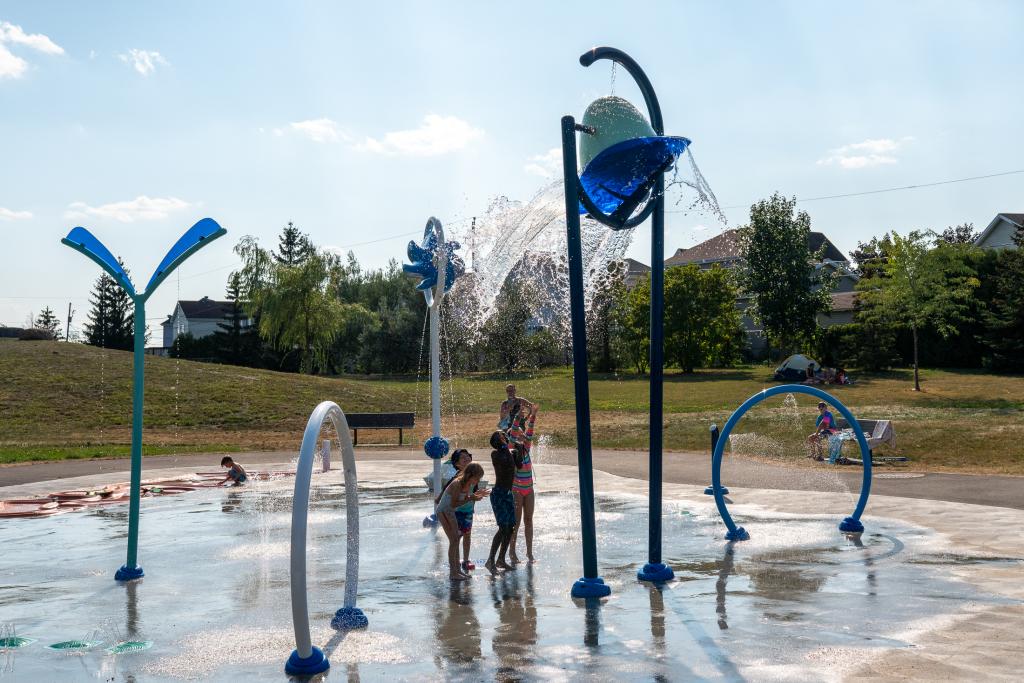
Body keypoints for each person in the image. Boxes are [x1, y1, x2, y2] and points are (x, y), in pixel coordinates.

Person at [436, 462, 487, 581]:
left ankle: (457, 571)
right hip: (444, 511)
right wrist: (471, 498)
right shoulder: (457, 483)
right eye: (477, 478)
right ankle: (453, 573)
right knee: (453, 540)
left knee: (455, 540)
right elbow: (454, 503)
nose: (478, 481)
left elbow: (464, 499)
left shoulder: (468, 484)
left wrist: (476, 495)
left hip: (451, 511)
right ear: (469, 475)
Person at [485, 430, 522, 575]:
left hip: (507, 494)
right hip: (499, 494)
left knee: (511, 527)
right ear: (495, 442)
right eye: (500, 436)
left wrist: (518, 450)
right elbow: (504, 463)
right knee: (503, 527)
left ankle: (501, 559)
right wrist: (509, 448)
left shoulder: (509, 453)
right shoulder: (496, 454)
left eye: (503, 436)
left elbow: (518, 465)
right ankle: (490, 560)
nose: (503, 437)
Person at [508, 403, 538, 565]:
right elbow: (512, 432)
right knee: (516, 522)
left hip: (529, 489)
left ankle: (529, 553)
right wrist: (518, 416)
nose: (522, 435)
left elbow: (531, 431)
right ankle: (512, 552)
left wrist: (533, 414)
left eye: (522, 433)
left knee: (529, 520)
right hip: (517, 489)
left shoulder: (526, 447)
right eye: (519, 433)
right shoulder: (511, 448)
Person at [441, 449, 480, 572]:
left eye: (468, 457)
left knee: (467, 535)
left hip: (468, 511)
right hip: (456, 511)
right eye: (463, 458)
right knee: (456, 538)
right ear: (457, 464)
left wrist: (474, 503)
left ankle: (466, 560)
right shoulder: (457, 478)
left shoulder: (473, 476)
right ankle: (456, 562)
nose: (467, 459)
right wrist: (439, 498)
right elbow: (448, 491)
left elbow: (473, 493)